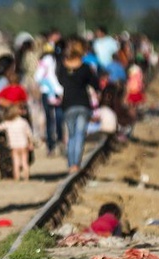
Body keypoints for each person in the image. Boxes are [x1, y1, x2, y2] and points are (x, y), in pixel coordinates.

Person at [57, 37, 100, 173]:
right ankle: (76, 164)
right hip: (82, 104)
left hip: (68, 104)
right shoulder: (85, 68)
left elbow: (60, 82)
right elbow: (96, 84)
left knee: (71, 136)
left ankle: (71, 164)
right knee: (80, 135)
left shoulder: (62, 67)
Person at [34, 43, 64, 157]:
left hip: (47, 92)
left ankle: (51, 146)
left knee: (49, 119)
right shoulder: (58, 60)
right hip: (58, 92)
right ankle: (60, 141)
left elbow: (38, 77)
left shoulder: (44, 61)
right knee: (59, 118)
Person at [0, 104, 34, 181]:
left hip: (14, 145)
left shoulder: (9, 123)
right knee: (24, 162)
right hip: (23, 144)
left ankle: (17, 177)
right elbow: (29, 133)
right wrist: (30, 143)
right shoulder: (23, 122)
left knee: (16, 163)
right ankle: (26, 177)